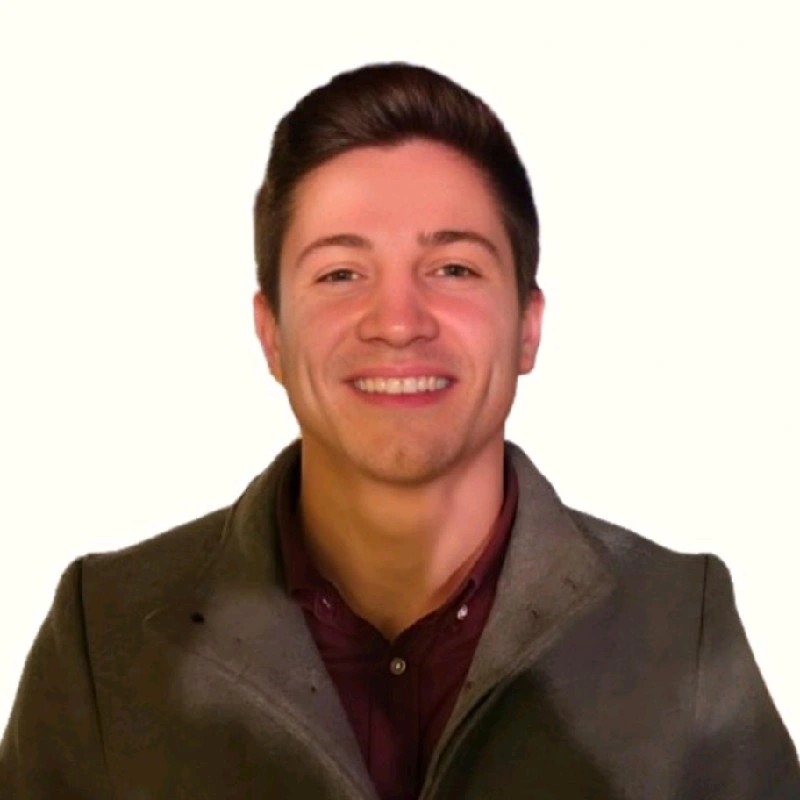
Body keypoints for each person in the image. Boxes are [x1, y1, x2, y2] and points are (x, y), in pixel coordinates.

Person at [1, 63, 797, 800]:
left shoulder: (678, 623)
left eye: (453, 269)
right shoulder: (104, 634)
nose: (397, 321)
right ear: (271, 334)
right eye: (340, 273)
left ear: (527, 326)